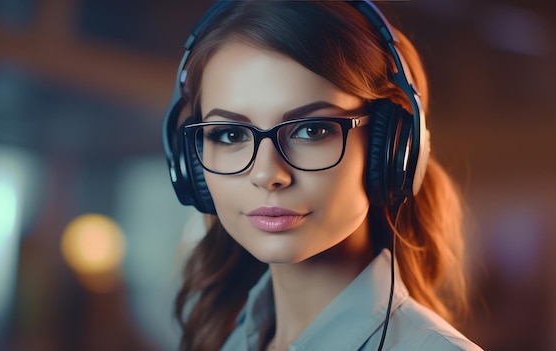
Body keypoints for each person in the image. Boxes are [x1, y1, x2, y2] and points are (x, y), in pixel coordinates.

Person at [163, 1, 483, 350]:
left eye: (312, 130)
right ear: (190, 162)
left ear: (392, 149)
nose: (269, 174)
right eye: (231, 135)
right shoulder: (230, 342)